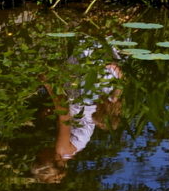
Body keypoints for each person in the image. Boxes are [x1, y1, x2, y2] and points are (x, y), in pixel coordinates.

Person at [30, 47, 123, 184]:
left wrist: (50, 110)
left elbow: (75, 118)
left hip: (99, 93)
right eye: (38, 159)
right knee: (44, 59)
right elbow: (64, 114)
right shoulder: (61, 150)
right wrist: (47, 83)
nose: (37, 154)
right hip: (85, 93)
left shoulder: (72, 151)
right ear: (52, 162)